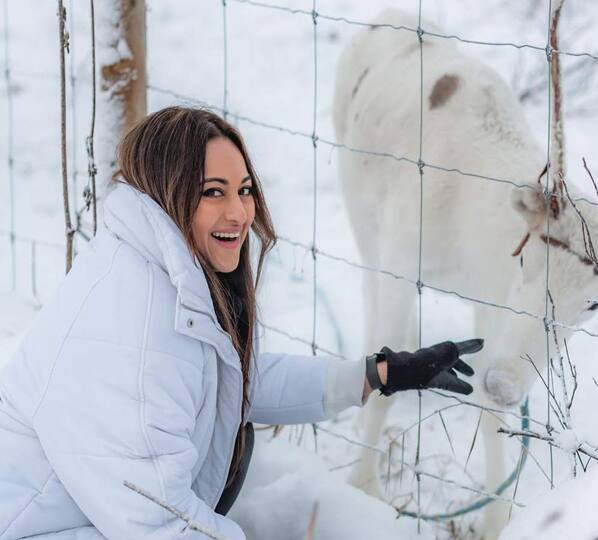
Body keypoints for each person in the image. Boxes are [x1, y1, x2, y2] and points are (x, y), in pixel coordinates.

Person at [0, 106, 482, 539]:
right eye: (213, 192)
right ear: (167, 191)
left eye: (244, 190)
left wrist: (377, 374)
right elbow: (160, 526)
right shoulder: (135, 335)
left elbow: (226, 382)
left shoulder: (152, 269)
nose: (239, 213)